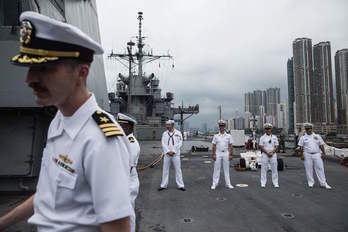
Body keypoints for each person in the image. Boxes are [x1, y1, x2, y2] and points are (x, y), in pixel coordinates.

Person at [0, 11, 133, 232]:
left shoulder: (101, 140)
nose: (30, 79)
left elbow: (117, 226)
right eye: (30, 67)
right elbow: (46, 194)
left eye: (44, 68)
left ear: (81, 72)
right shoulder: (59, 122)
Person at [117, 113, 141, 232]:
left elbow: (127, 166)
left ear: (128, 127)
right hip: (124, 179)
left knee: (129, 212)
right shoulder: (123, 140)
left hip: (128, 181)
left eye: (120, 125)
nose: (118, 127)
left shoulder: (132, 143)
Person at [298, 123, 332, 189]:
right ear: (305, 129)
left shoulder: (317, 136)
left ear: (312, 129)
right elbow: (301, 147)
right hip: (307, 154)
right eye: (307, 129)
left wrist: (324, 153)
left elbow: (321, 145)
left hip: (317, 154)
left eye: (310, 128)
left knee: (320, 168)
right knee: (308, 169)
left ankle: (323, 183)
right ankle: (310, 183)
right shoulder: (303, 137)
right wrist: (302, 155)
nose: (309, 130)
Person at [158, 120, 185, 191]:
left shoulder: (178, 133)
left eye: (168, 125)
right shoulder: (164, 133)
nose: (167, 127)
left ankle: (181, 185)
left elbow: (180, 143)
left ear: (172, 125)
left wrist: (173, 151)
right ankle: (163, 185)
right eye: (167, 125)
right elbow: (163, 143)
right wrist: (167, 151)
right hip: (167, 155)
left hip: (175, 155)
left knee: (178, 170)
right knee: (165, 170)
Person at [211, 120, 234, 190]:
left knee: (226, 169)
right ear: (219, 127)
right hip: (218, 153)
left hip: (226, 153)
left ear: (224, 126)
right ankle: (214, 184)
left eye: (223, 125)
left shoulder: (229, 136)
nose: (221, 127)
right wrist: (214, 154)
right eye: (220, 126)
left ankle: (228, 184)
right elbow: (214, 145)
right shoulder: (216, 136)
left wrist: (231, 154)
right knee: (216, 169)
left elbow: (231, 145)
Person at [259, 123, 279, 188]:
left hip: (273, 154)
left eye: (269, 129)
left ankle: (275, 183)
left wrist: (272, 152)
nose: (268, 130)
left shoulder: (274, 137)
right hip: (265, 154)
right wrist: (267, 152)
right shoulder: (262, 137)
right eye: (266, 129)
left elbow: (276, 146)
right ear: (265, 129)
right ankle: (263, 183)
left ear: (271, 129)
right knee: (263, 169)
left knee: (274, 169)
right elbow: (261, 146)